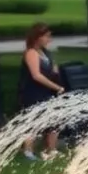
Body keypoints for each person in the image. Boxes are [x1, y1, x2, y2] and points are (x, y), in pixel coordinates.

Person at [18, 22, 64, 161]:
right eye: (46, 36)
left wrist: (55, 75)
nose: (49, 39)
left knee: (54, 121)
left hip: (47, 93)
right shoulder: (31, 53)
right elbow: (36, 75)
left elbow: (53, 70)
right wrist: (56, 87)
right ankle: (28, 151)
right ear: (37, 37)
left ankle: (51, 150)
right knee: (33, 123)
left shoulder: (46, 53)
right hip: (33, 93)